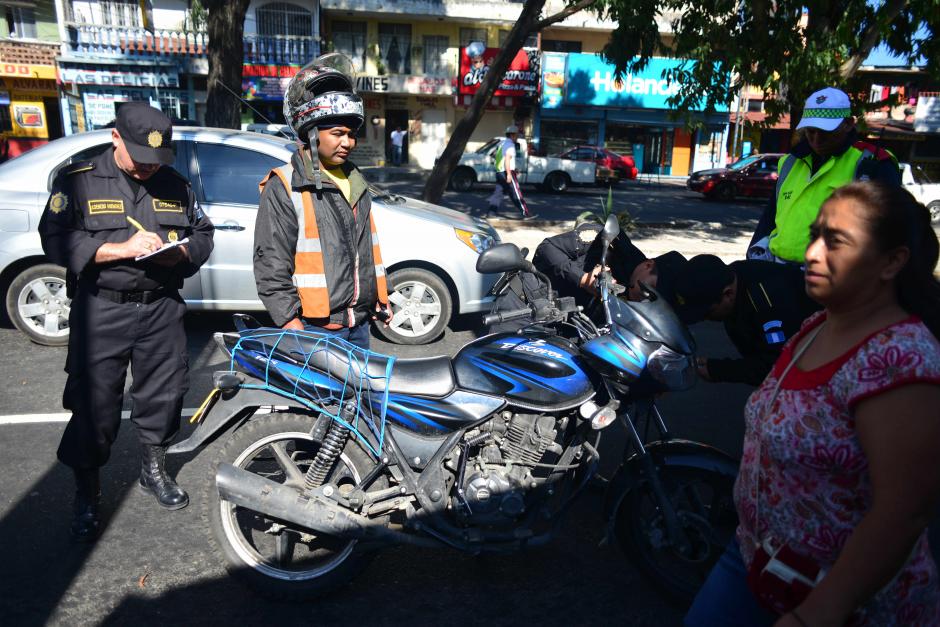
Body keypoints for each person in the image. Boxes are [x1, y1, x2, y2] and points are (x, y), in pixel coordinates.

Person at [686, 180, 940, 626]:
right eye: (814, 236)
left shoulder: (901, 359)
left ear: (892, 261)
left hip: (840, 594)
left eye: (836, 242)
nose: (812, 254)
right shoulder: (813, 327)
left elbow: (904, 511)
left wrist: (820, 612)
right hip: (755, 556)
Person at [38, 103, 215, 541]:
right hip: (102, 307)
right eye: (140, 157)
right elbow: (54, 237)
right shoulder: (79, 181)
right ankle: (87, 491)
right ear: (116, 138)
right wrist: (118, 249)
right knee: (93, 406)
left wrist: (183, 252)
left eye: (156, 160)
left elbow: (204, 233)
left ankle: (153, 470)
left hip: (160, 306)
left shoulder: (174, 183)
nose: (148, 168)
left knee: (165, 394)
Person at [254, 54, 390, 351]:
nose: (348, 143)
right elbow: (271, 261)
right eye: (338, 133)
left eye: (352, 135)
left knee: (358, 397)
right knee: (319, 399)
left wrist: (381, 298)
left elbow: (367, 250)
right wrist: (289, 320)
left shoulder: (355, 180)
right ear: (313, 135)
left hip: (359, 325)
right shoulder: (285, 184)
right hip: (314, 330)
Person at [748, 87, 900, 265]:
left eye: (826, 132)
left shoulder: (872, 164)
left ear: (848, 124)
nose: (817, 139)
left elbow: (889, 231)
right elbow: (770, 216)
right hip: (777, 267)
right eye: (811, 131)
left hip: (832, 276)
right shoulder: (790, 162)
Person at [668, 255, 821, 386]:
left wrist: (720, 370)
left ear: (728, 294)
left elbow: (779, 367)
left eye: (708, 312)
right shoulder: (731, 277)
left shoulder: (767, 301)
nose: (705, 319)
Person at [486, 124, 534, 220]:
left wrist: (512, 168)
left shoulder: (501, 144)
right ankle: (526, 213)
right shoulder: (510, 145)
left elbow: (496, 156)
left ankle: (491, 214)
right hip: (507, 172)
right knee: (516, 192)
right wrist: (509, 173)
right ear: (512, 135)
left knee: (498, 193)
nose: (517, 138)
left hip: (499, 172)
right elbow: (507, 159)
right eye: (516, 135)